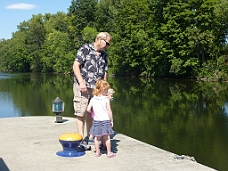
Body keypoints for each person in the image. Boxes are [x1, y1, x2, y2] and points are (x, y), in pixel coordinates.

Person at [73, 32, 112, 147]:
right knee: (81, 111)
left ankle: (89, 137)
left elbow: (104, 73)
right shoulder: (85, 49)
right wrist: (81, 82)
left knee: (92, 113)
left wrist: (105, 89)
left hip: (96, 89)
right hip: (83, 86)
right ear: (99, 39)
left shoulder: (104, 55)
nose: (107, 46)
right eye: (107, 43)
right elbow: (76, 66)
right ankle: (80, 138)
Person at [87, 79, 116, 158]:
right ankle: (109, 152)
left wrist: (94, 113)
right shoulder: (106, 99)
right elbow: (109, 111)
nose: (107, 92)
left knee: (97, 137)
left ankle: (97, 152)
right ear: (103, 90)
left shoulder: (93, 99)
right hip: (105, 120)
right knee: (107, 137)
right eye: (106, 90)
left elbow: (88, 109)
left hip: (97, 121)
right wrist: (111, 120)